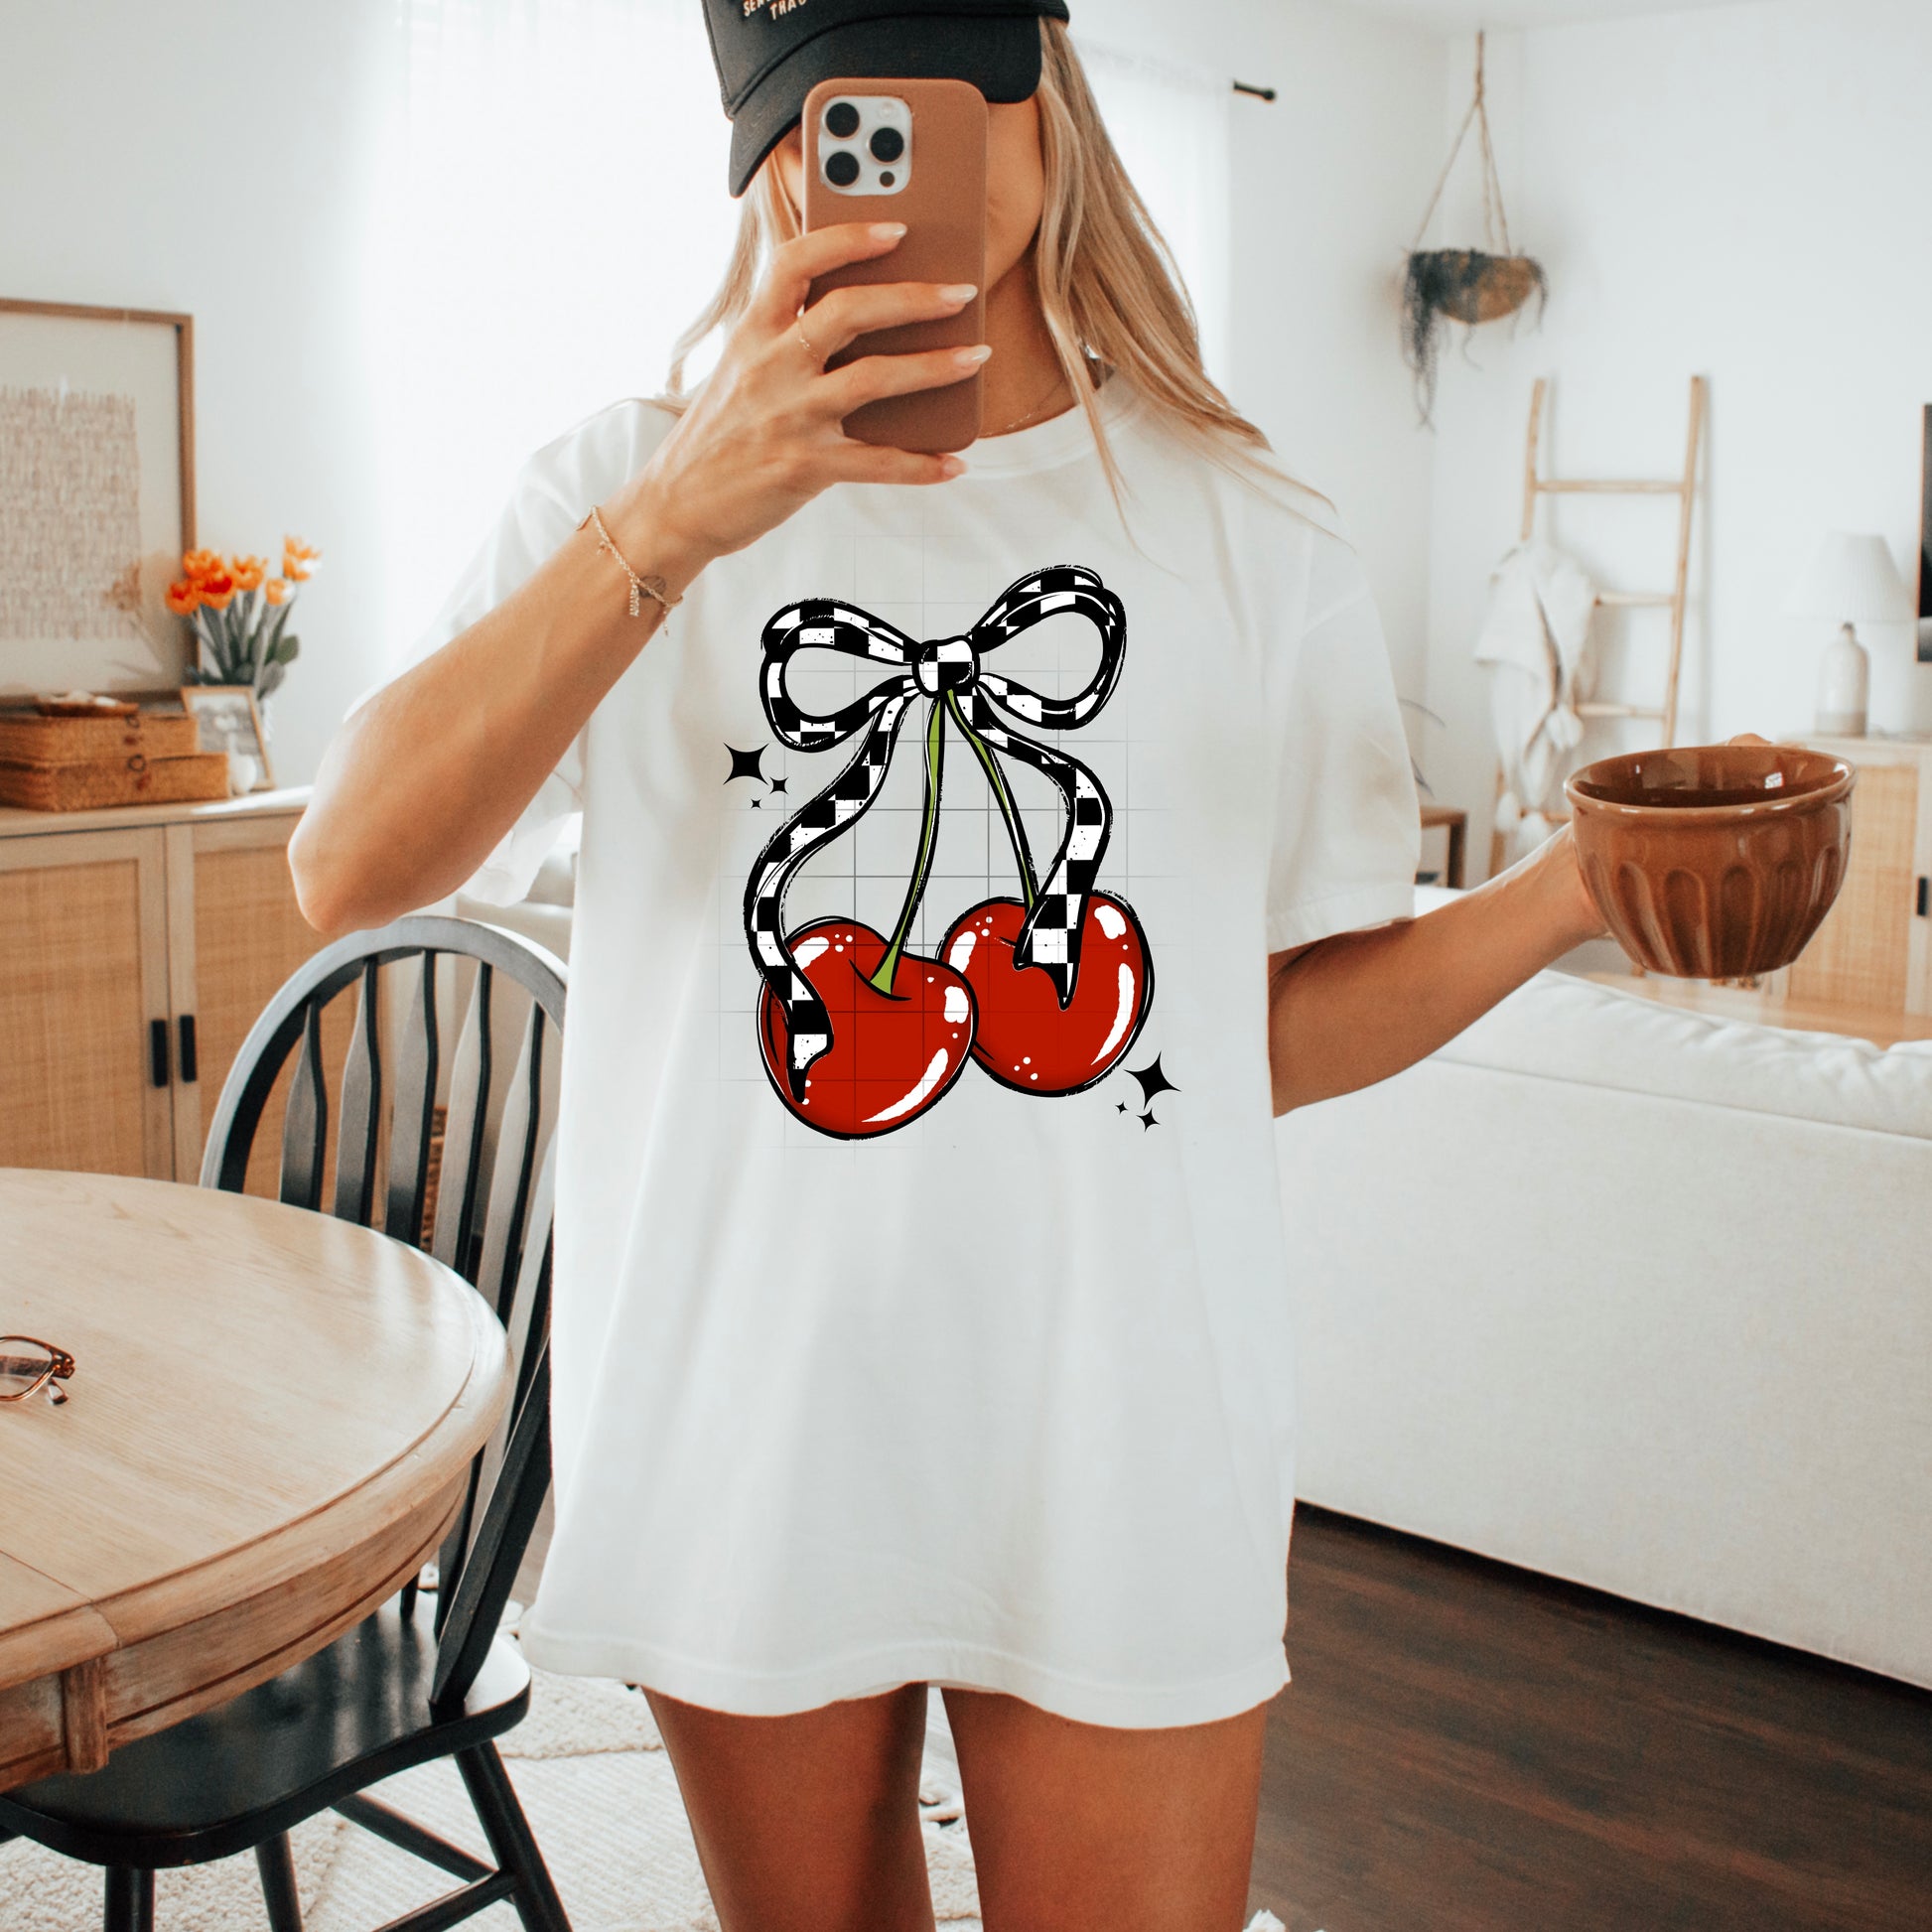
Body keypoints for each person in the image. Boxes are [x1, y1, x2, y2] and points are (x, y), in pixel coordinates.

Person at [291, 3, 1608, 1924]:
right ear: (765, 159)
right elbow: (347, 864)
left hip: (1126, 1419)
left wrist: (1571, 892)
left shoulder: (1253, 534)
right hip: (747, 1410)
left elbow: (1254, 1028)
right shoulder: (615, 484)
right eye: (836, 108)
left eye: (951, 76)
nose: (904, 148)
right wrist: (670, 520)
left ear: (1050, 99)